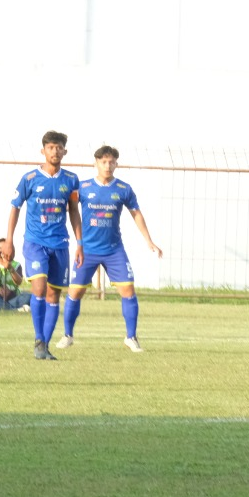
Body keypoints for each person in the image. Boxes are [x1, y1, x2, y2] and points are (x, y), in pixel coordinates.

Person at [56, 145, 163, 353]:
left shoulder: (123, 189)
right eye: (103, 161)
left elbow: (136, 214)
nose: (107, 165)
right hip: (87, 250)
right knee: (75, 292)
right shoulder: (83, 187)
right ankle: (68, 335)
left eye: (111, 161)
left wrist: (149, 241)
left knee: (128, 289)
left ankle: (131, 337)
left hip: (114, 250)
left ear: (116, 164)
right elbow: (70, 209)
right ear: (95, 163)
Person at [1, 130, 82, 361]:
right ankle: (38, 338)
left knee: (54, 295)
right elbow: (15, 207)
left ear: (64, 151)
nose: (55, 151)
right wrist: (9, 240)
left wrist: (80, 243)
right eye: (50, 147)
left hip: (60, 244)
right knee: (39, 288)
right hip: (35, 242)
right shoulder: (29, 179)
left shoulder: (71, 180)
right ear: (43, 151)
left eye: (59, 148)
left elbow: (74, 211)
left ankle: (44, 345)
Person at [0, 238, 32, 311]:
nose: (2, 251)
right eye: (0, 248)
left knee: (29, 296)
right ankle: (14, 310)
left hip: (13, 299)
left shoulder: (16, 265)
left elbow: (18, 282)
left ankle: (0, 308)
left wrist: (10, 268)